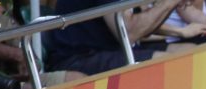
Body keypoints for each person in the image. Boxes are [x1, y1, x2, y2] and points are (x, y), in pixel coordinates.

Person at [43, 0, 181, 77]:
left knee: (186, 51)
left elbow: (140, 28)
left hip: (110, 50)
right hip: (77, 58)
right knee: (168, 62)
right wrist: (169, 3)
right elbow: (130, 32)